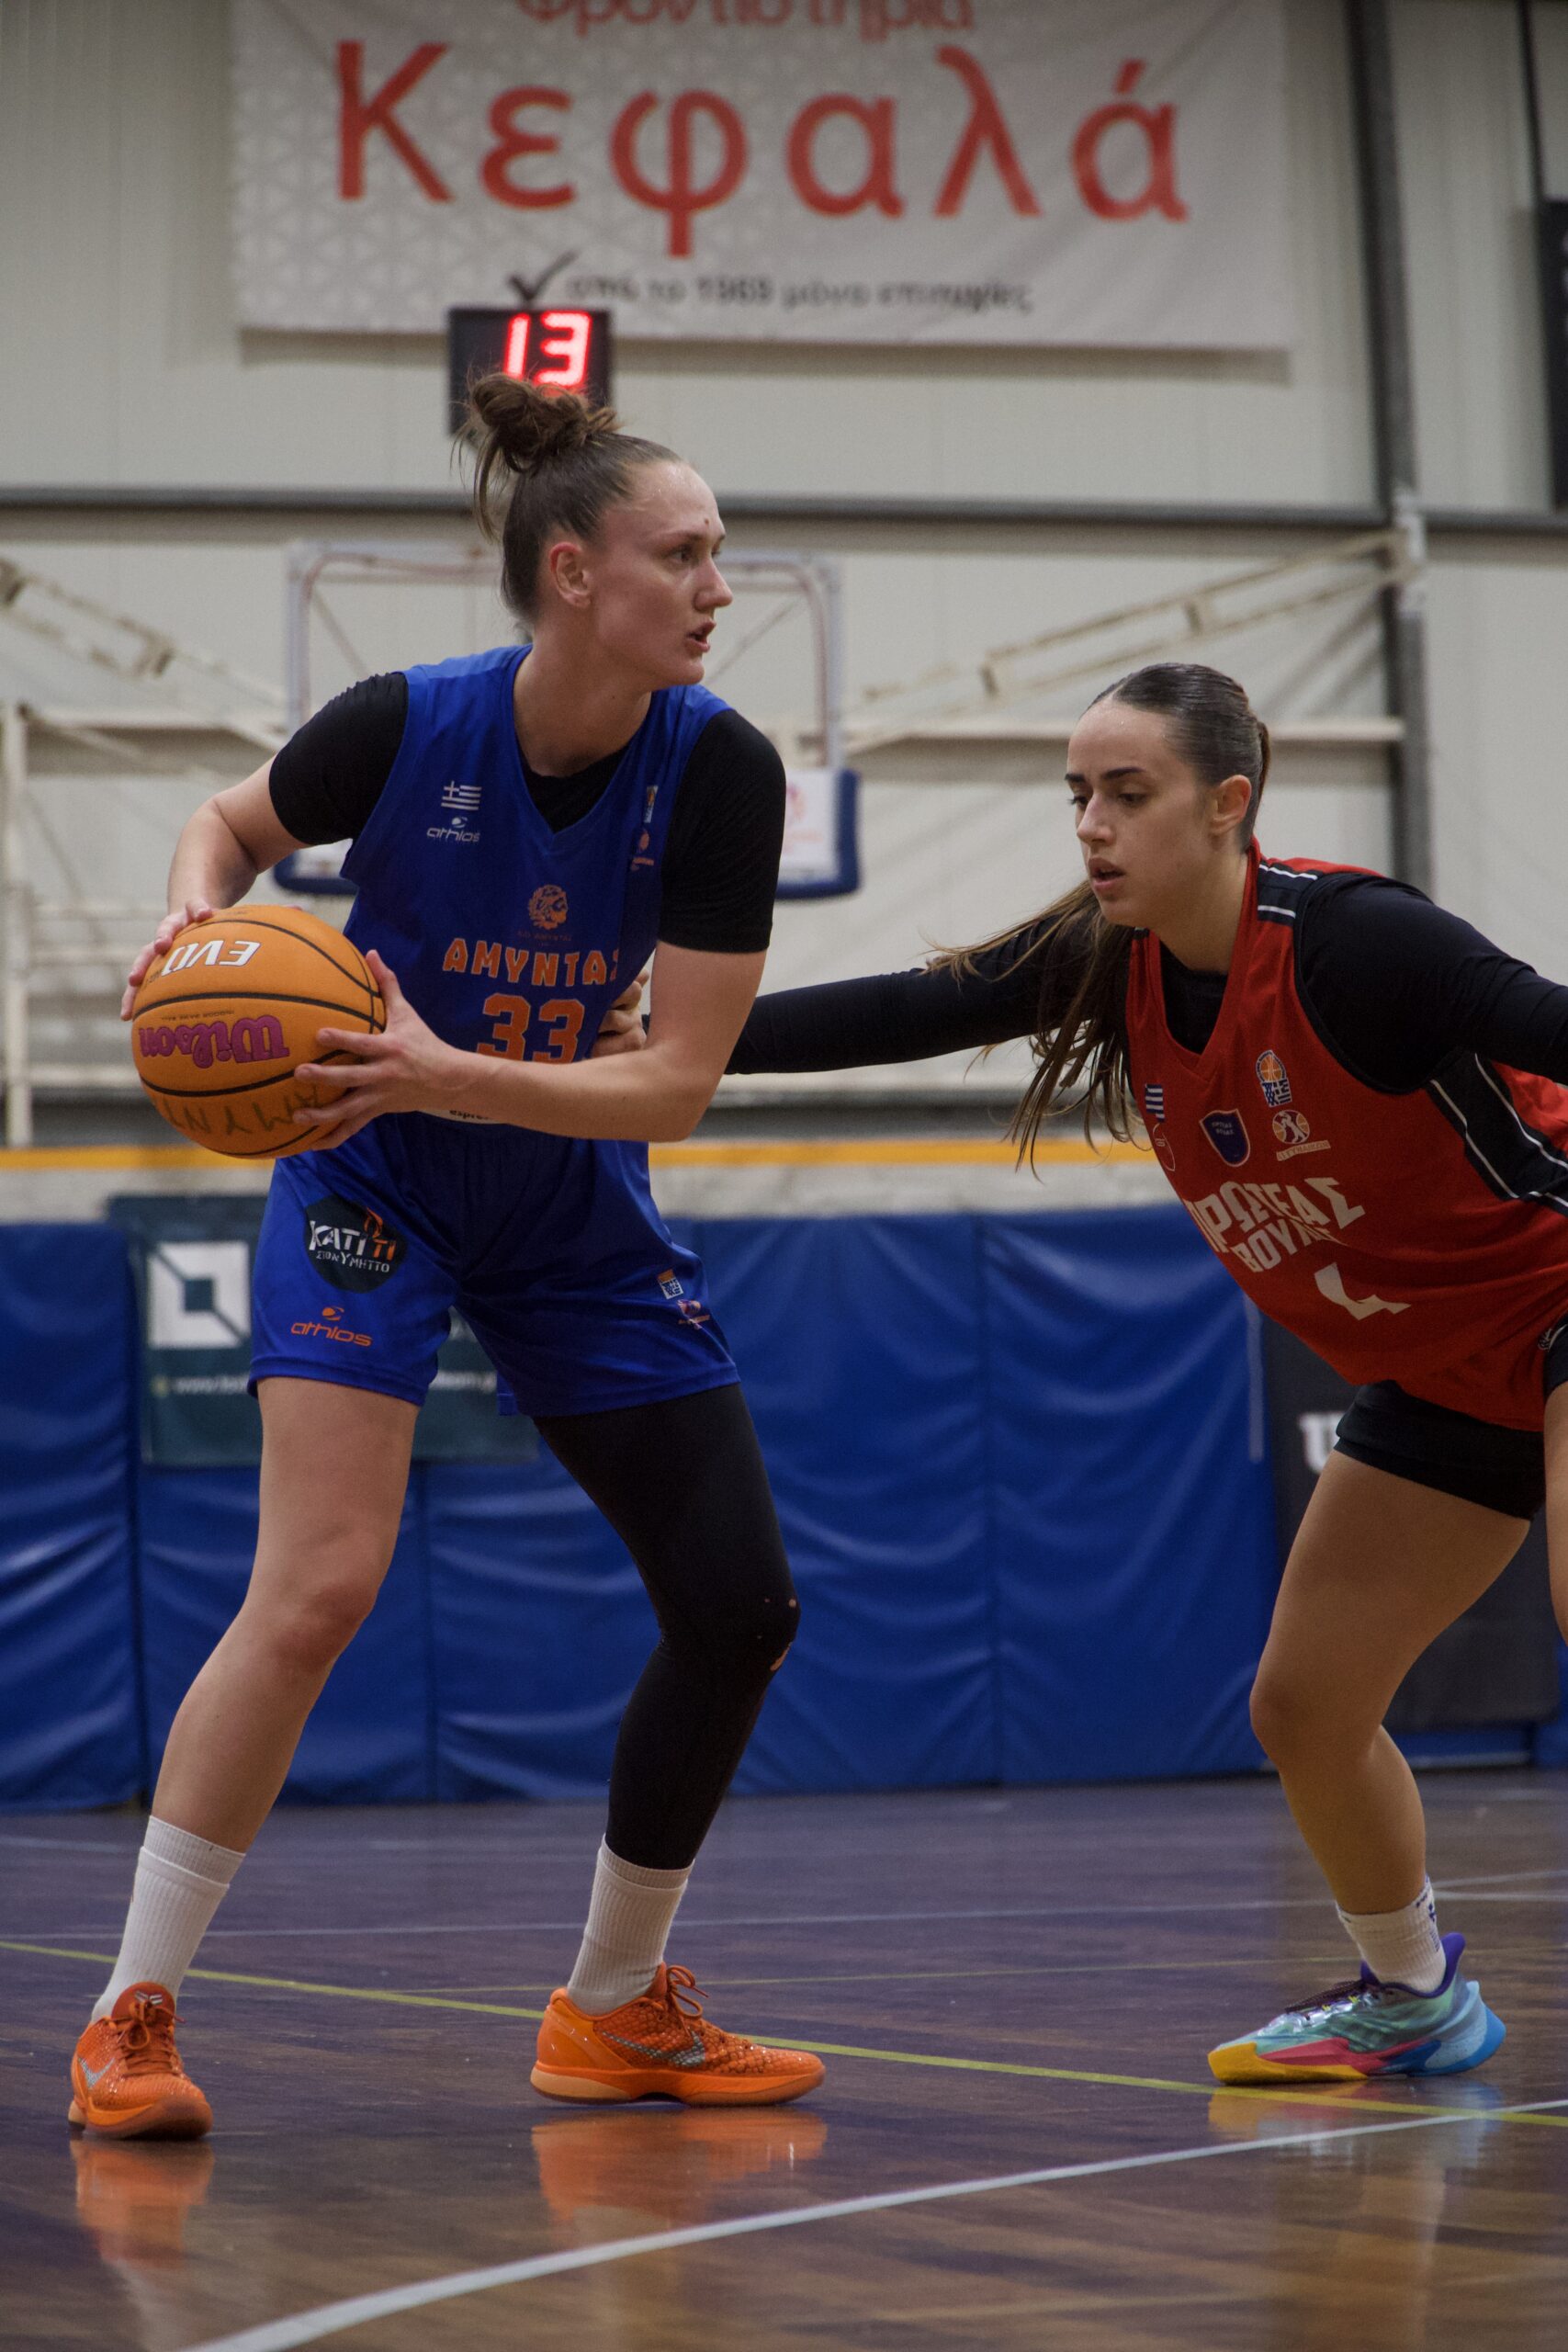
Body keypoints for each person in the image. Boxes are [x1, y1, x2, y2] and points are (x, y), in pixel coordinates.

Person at [70, 377, 824, 2140]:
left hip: (565, 1190)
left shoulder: (722, 769)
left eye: (718, 553)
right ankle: (128, 2015)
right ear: (574, 573)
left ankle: (615, 2007)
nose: (719, 586)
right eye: (684, 554)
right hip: (372, 1172)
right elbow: (228, 824)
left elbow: (679, 1083)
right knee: (319, 1586)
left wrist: (456, 1068)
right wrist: (195, 922)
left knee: (741, 1606)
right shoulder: (406, 722)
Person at [720, 658, 1568, 2085]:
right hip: (1440, 1372)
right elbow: (900, 1011)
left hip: (1557, 1297)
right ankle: (1417, 1997)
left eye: (1128, 792)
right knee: (1305, 1707)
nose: (1093, 826)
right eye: (1078, 796)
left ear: (1229, 803)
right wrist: (665, 1042)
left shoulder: (1358, 946)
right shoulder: (1112, 965)